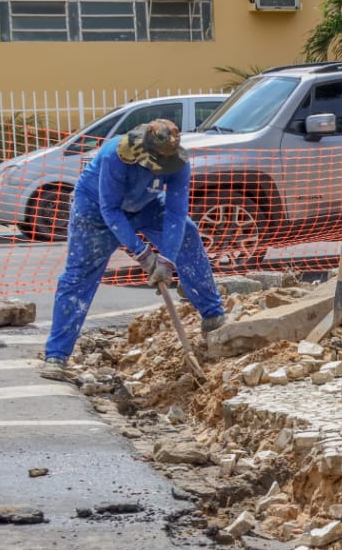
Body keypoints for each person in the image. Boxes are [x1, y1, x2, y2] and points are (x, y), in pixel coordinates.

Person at [38, 119, 225, 380]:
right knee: (79, 276)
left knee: (188, 234)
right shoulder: (114, 156)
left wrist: (167, 261)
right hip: (96, 209)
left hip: (146, 204)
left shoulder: (178, 165)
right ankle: (56, 354)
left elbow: (176, 213)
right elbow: (111, 210)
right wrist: (143, 255)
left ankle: (213, 316)